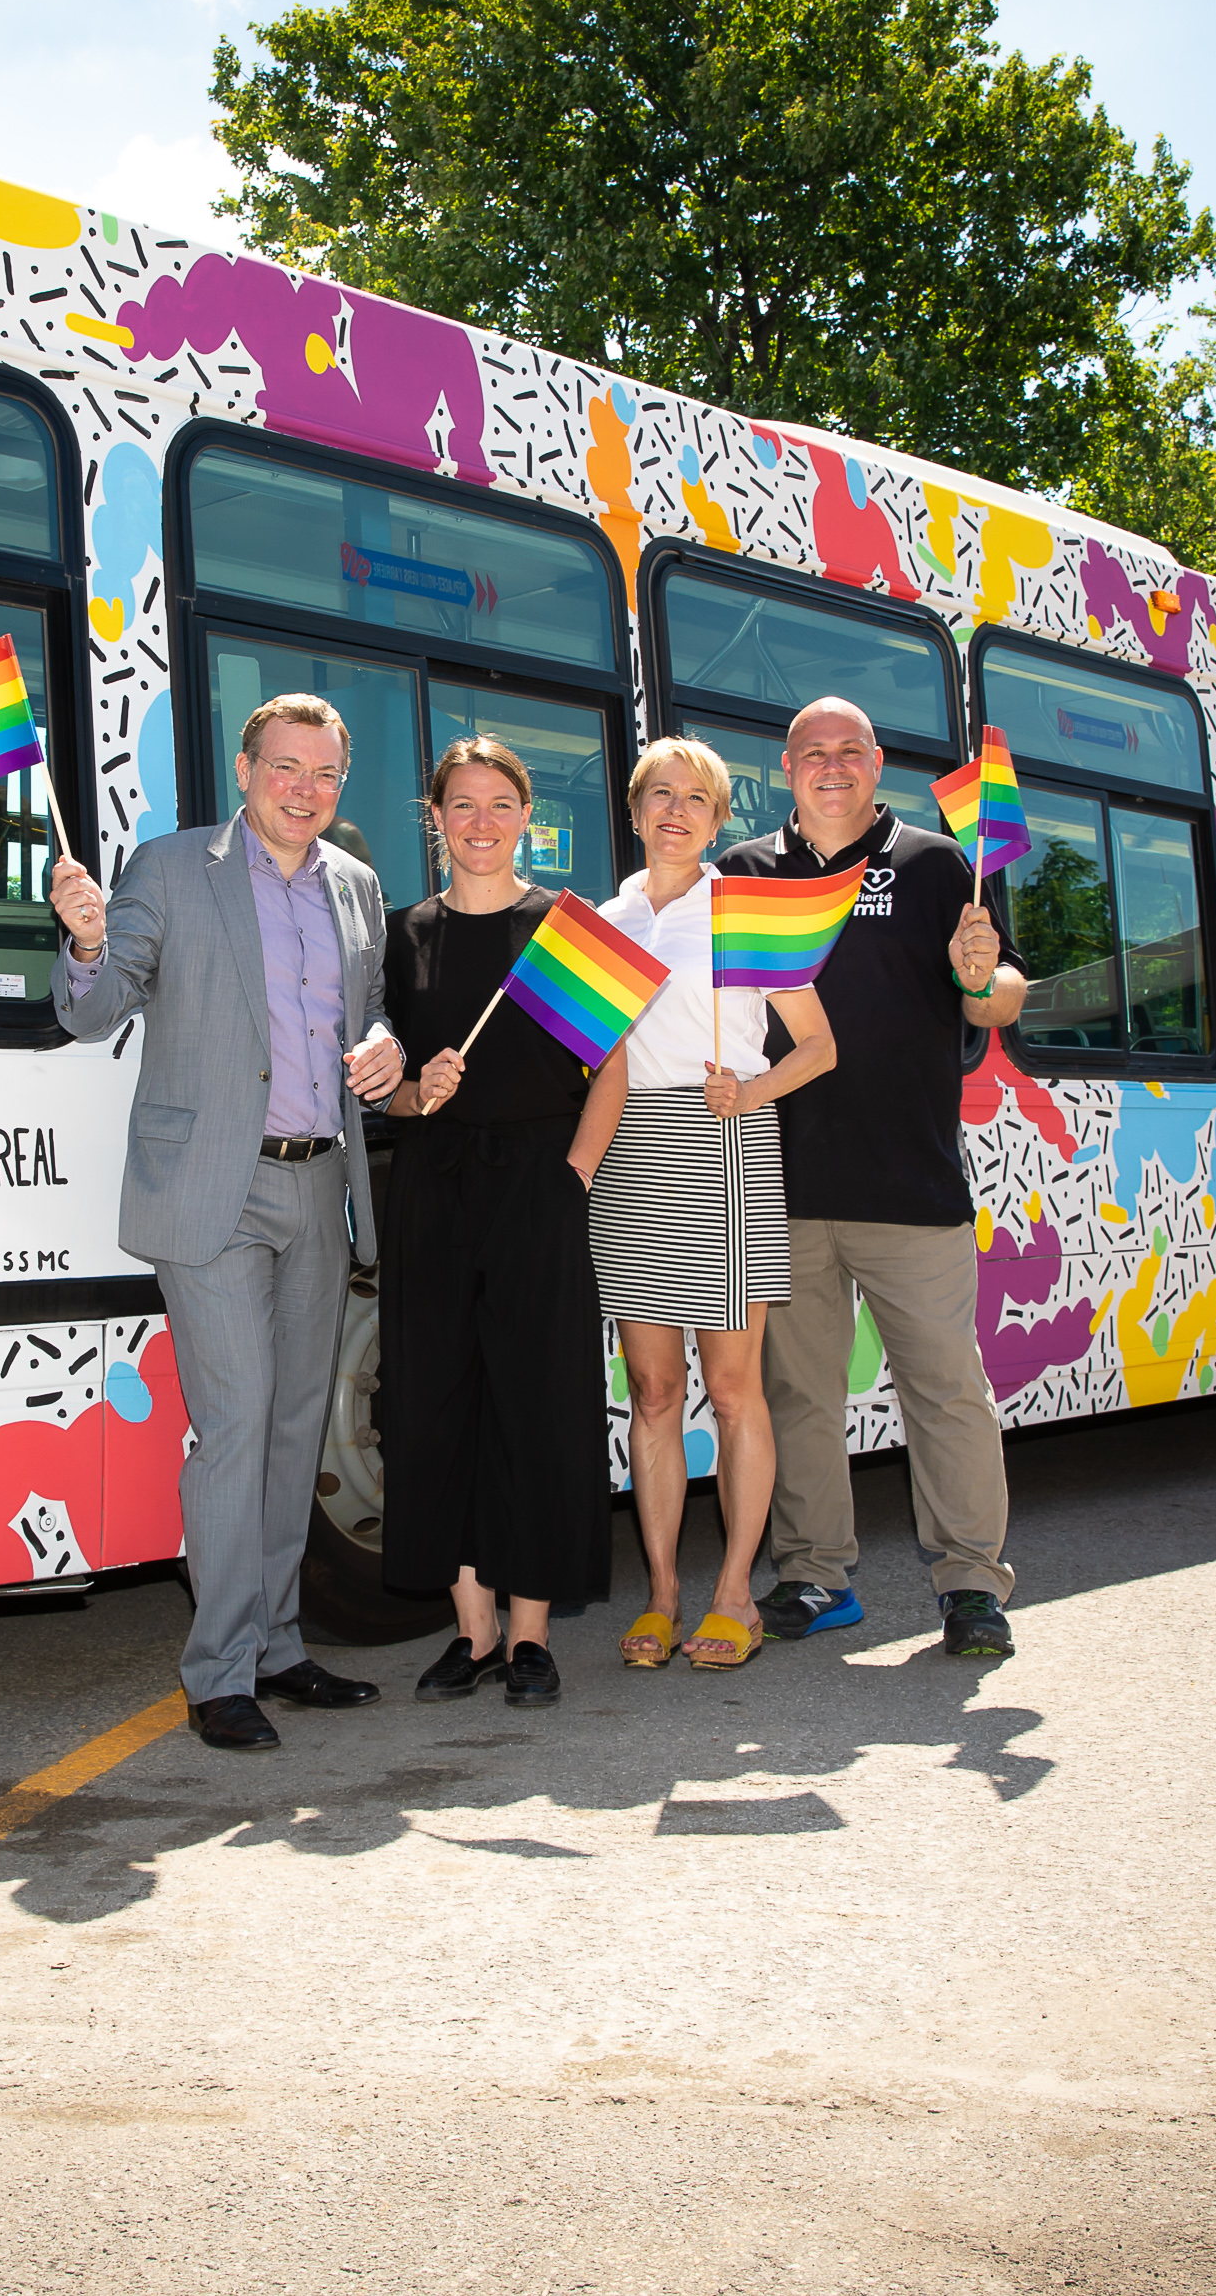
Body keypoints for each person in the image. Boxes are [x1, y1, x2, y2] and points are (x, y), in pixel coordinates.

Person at [50, 696, 404, 1751]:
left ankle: (280, 1645)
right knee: (238, 1424)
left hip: (319, 1184)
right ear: (244, 768)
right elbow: (92, 1008)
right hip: (210, 1188)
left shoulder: (356, 885)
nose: (305, 789)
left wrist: (381, 1047)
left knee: (297, 1431)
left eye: (326, 772)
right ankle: (217, 1672)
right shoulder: (166, 869)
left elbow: (369, 1004)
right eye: (286, 767)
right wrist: (81, 942)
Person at [719, 697, 1031, 1660]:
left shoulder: (940, 864)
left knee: (944, 1388)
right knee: (800, 1393)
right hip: (781, 1184)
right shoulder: (744, 872)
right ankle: (815, 1574)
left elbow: (1004, 993)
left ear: (878, 763)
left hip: (913, 1187)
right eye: (814, 751)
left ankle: (972, 1584)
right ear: (785, 766)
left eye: (850, 750)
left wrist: (981, 974)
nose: (832, 765)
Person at [378, 738, 623, 1709]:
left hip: (538, 1181)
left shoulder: (563, 929)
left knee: (536, 1403)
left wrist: (572, 1174)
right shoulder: (401, 936)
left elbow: (609, 1071)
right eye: (460, 805)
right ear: (433, 819)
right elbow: (375, 1080)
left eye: (497, 804)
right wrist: (409, 1090)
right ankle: (469, 1630)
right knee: (433, 1404)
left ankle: (528, 1634)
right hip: (431, 1184)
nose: (478, 821)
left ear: (525, 818)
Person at [587, 737, 834, 1672]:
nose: (676, 811)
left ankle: (736, 1593)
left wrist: (752, 1089)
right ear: (636, 806)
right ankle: (661, 1594)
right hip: (633, 1151)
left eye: (697, 798)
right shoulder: (605, 917)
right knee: (652, 1392)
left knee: (731, 1391)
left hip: (724, 1139)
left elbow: (819, 1048)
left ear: (720, 818)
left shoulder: (749, 913)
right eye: (660, 794)